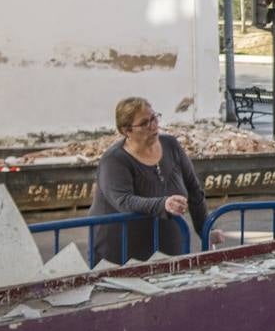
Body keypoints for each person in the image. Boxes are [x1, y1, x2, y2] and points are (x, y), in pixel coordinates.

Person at [88, 98, 223, 263]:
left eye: (154, 118)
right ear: (126, 130)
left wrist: (206, 229)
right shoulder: (114, 160)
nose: (153, 125)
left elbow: (194, 190)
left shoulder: (171, 146)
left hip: (168, 251)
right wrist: (163, 204)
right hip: (120, 255)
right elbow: (124, 200)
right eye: (144, 123)